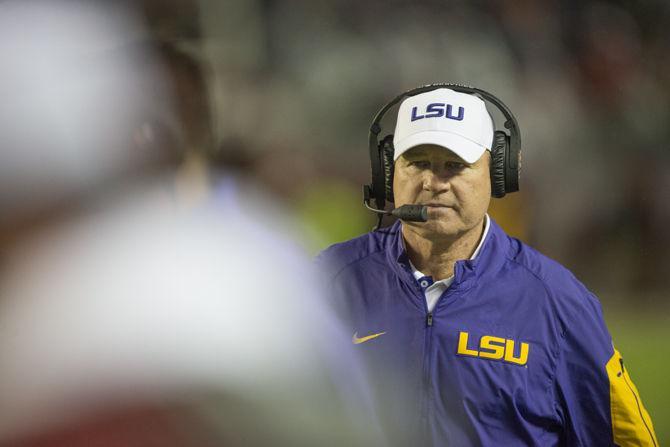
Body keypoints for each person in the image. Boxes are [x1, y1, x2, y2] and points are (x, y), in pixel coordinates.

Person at [317, 85, 658, 446]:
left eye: (455, 166)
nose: (433, 183)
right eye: (417, 163)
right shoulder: (324, 283)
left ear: (497, 173)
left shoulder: (558, 303)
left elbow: (626, 440)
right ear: (388, 172)